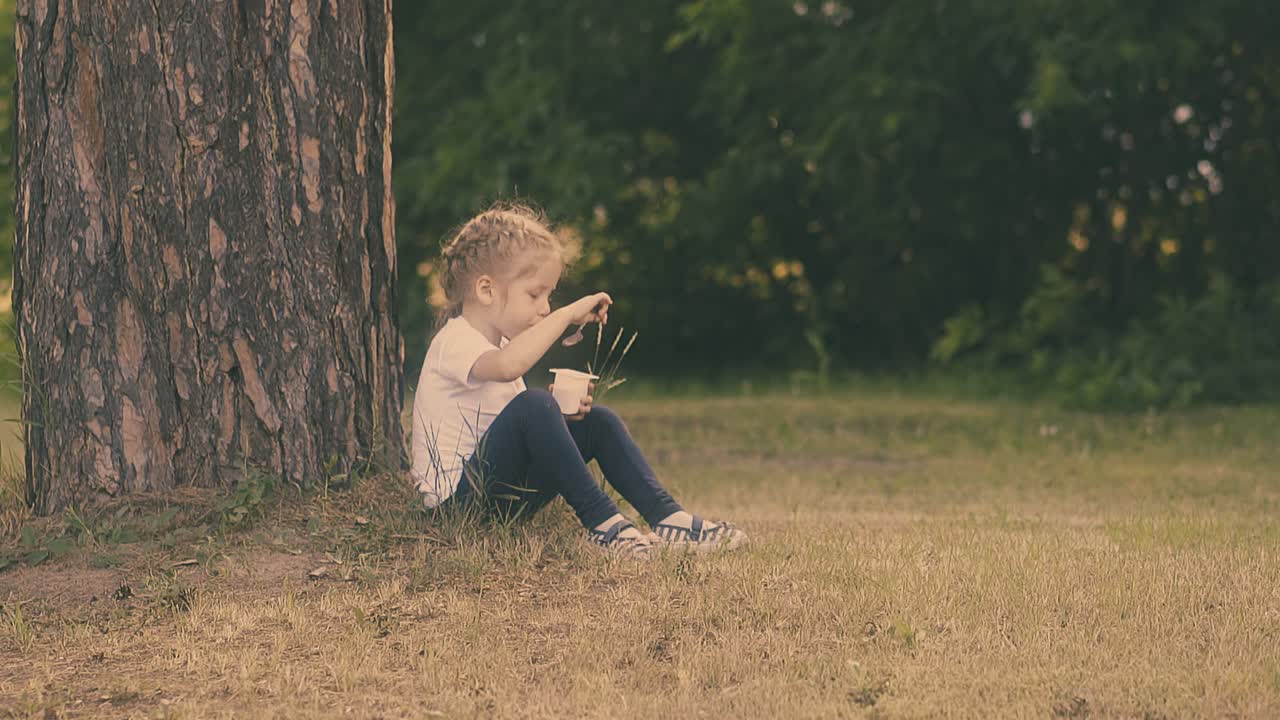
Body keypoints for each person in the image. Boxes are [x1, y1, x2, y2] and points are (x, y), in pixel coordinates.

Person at [409, 203, 746, 557]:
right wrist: (567, 314)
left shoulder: (504, 345)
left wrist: (559, 420)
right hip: (456, 509)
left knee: (597, 421)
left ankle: (669, 518)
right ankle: (604, 525)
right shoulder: (455, 341)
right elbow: (509, 368)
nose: (545, 307)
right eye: (535, 294)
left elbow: (511, 427)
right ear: (486, 290)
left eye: (550, 297)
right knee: (536, 404)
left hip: (502, 500)